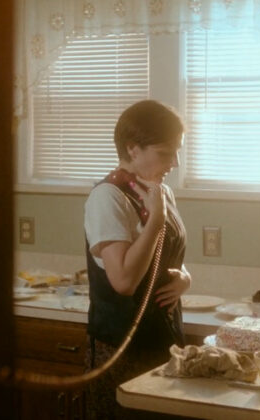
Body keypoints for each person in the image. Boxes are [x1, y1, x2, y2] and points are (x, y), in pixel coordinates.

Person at [83, 99, 192, 418]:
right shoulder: (107, 197)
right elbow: (124, 281)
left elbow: (166, 254)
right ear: (133, 149)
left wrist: (185, 278)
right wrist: (156, 221)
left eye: (177, 151)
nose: (175, 162)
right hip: (122, 349)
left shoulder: (160, 191)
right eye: (165, 153)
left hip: (164, 340)